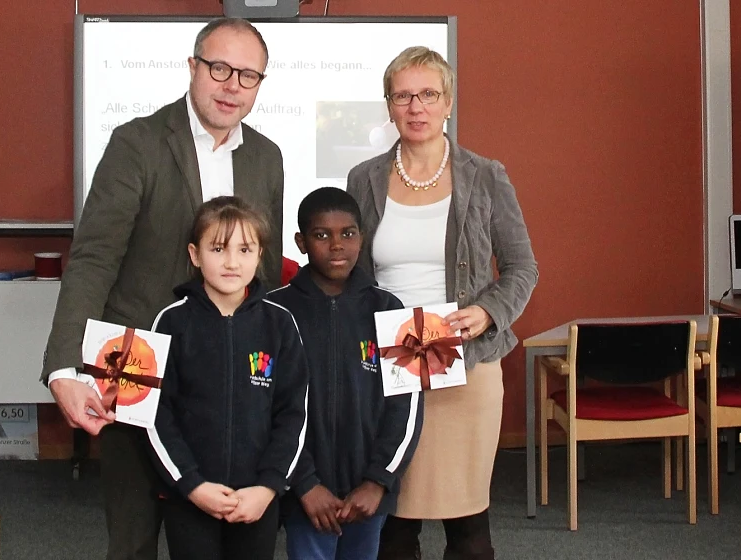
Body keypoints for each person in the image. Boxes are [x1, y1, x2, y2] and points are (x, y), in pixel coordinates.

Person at [40, 17, 284, 560]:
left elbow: (262, 275)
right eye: (219, 68)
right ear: (193, 68)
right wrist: (63, 366)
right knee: (134, 537)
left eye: (248, 75)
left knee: (225, 536)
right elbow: (95, 258)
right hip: (137, 371)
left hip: (228, 383)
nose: (231, 85)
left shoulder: (267, 157)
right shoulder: (138, 143)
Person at [345, 47, 538, 560]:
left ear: (448, 101)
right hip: (388, 370)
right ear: (388, 106)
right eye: (403, 95)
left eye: (428, 94)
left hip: (467, 367)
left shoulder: (485, 175)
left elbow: (523, 268)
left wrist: (488, 312)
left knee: (468, 522)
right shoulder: (363, 178)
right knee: (393, 522)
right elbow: (352, 273)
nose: (416, 106)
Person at [147, 196, 308, 560]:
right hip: (190, 496)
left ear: (260, 254)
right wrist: (191, 484)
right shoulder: (171, 322)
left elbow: (293, 415)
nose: (232, 262)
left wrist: (268, 487)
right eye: (218, 248)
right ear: (194, 254)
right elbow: (156, 417)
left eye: (245, 249)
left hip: (256, 499)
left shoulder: (279, 324)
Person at [267, 187, 424, 560]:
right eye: (322, 235)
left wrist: (377, 482)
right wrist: (304, 484)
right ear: (301, 242)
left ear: (362, 237)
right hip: (304, 493)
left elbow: (408, 406)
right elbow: (267, 407)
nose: (337, 245)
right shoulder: (274, 312)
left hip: (367, 493)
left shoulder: (391, 310)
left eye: (348, 233)